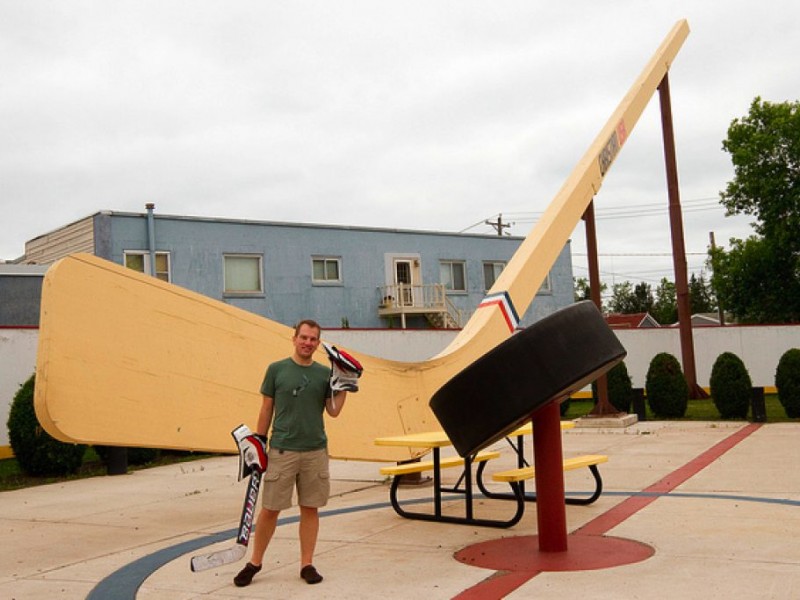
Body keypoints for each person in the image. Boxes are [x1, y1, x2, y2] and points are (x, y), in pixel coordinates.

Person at [233, 319, 360, 587]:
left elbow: (333, 411)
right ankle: (254, 562)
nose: (308, 343)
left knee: (310, 508)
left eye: (313, 339)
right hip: (282, 450)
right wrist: (258, 443)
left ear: (317, 343)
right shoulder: (276, 370)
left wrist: (346, 384)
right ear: (294, 338)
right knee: (270, 509)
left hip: (315, 451)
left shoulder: (325, 374)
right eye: (303, 337)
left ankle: (307, 564)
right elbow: (266, 408)